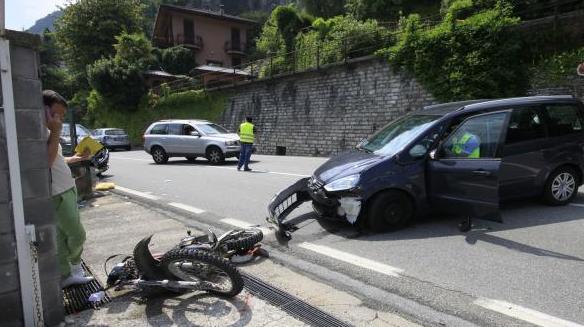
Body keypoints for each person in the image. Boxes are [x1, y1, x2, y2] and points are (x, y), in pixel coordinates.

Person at [44, 90, 94, 288]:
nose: (60, 119)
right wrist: (55, 130)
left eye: (63, 116)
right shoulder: (43, 130)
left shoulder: (46, 130)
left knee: (63, 236)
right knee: (77, 234)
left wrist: (78, 158)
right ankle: (74, 267)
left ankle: (66, 275)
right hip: (57, 193)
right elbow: (45, 162)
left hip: (65, 189)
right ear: (45, 110)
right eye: (57, 114)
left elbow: (56, 159)